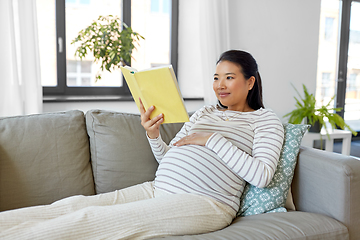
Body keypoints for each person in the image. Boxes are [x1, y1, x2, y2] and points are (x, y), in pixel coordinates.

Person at [0, 50, 284, 240]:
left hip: (206, 202)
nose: (220, 85)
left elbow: (261, 175)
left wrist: (211, 140)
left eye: (229, 78)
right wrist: (153, 134)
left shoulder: (265, 121)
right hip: (159, 188)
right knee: (75, 204)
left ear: (250, 82)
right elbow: (169, 157)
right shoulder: (205, 113)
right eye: (216, 78)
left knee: (90, 219)